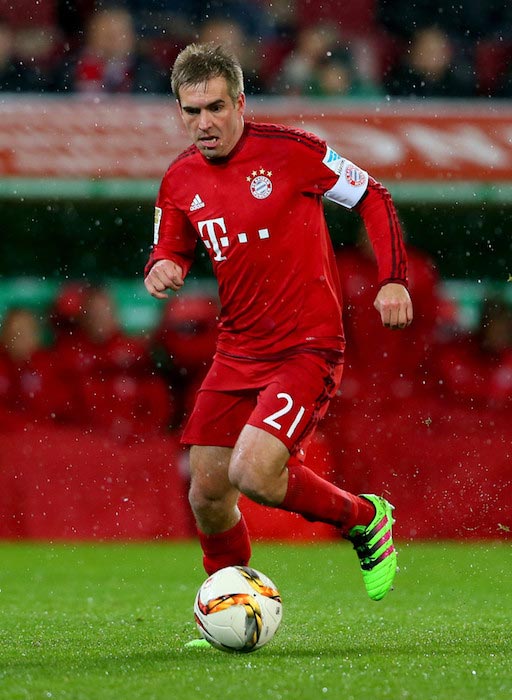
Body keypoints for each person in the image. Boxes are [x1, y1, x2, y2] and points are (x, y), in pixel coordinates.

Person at [143, 43, 412, 624]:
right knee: (209, 495)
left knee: (254, 474)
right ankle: (230, 611)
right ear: (179, 111)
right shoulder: (179, 180)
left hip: (306, 346)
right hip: (237, 350)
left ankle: (364, 518)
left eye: (215, 107)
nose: (204, 123)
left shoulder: (293, 152)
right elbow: (169, 247)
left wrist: (393, 278)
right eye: (191, 111)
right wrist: (162, 266)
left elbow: (372, 194)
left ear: (241, 101)